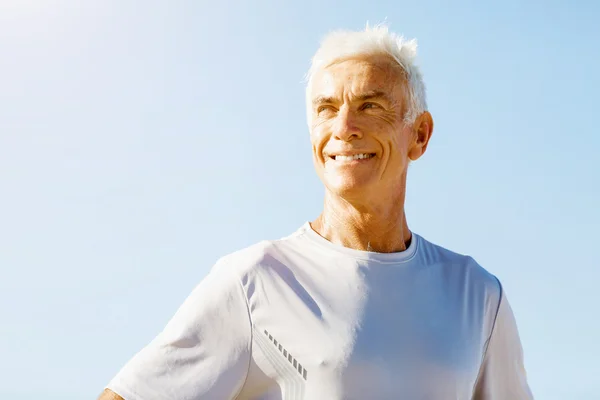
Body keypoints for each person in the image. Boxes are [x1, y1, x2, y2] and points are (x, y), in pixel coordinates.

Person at [99, 25, 533, 400]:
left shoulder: (478, 296)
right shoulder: (255, 281)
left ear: (419, 135)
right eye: (326, 109)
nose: (344, 128)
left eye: (370, 106)